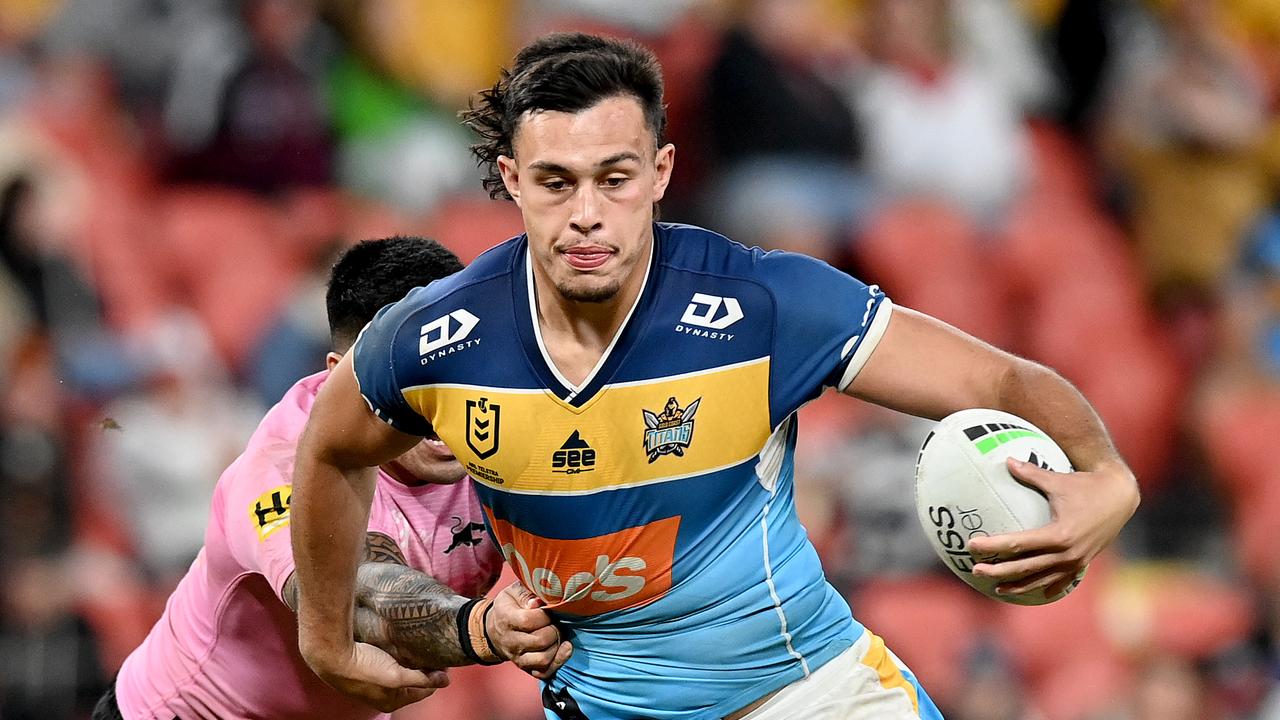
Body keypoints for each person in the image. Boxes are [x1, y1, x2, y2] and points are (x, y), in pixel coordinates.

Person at [290, 33, 1140, 719]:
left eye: (614, 178)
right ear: (511, 181)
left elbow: (998, 382)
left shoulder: (767, 303)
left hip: (812, 695)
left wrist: (1106, 474)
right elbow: (328, 451)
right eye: (555, 181)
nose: (586, 212)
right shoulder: (439, 339)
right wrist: (325, 638)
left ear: (659, 174)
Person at [94, 236, 570, 720]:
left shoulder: (507, 426)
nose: (442, 413)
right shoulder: (280, 465)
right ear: (344, 379)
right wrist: (485, 629)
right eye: (413, 387)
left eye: (459, 376)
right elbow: (352, 597)